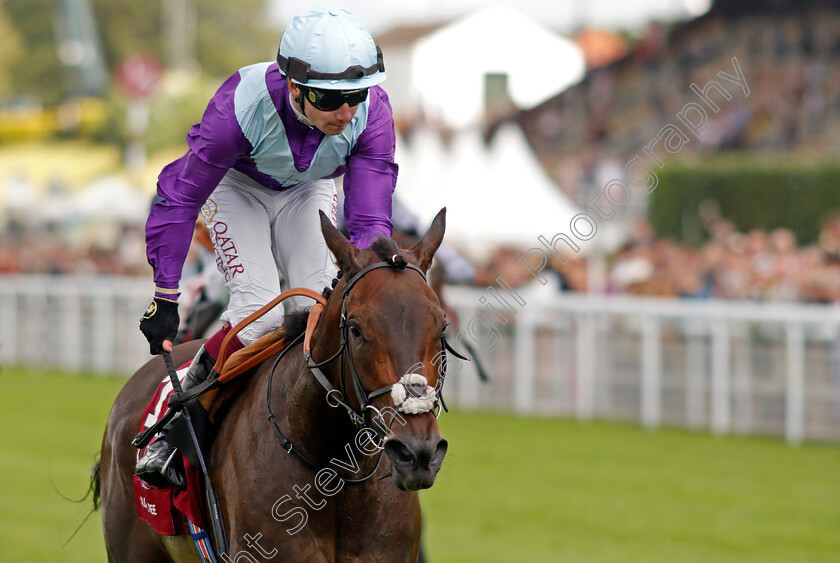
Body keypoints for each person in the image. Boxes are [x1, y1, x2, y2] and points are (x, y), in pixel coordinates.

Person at [136, 7, 398, 487]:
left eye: (356, 96)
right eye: (330, 98)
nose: (346, 112)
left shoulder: (372, 114)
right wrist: (165, 294)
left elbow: (367, 222)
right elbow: (181, 194)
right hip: (235, 188)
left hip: (309, 188)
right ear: (294, 87)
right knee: (259, 308)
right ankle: (176, 424)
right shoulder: (241, 104)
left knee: (318, 308)